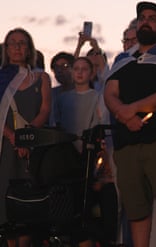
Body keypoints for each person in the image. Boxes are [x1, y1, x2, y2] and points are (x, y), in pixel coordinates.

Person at [104, 1, 156, 247]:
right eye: (142, 18)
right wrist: (124, 114)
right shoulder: (122, 59)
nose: (146, 22)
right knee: (136, 209)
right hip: (126, 143)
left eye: (152, 18)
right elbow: (110, 93)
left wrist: (133, 109)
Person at [55, 56, 118, 246]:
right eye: (76, 68)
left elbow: (100, 126)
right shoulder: (62, 98)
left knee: (90, 206)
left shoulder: (97, 96)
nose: (80, 72)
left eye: (84, 68)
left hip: (90, 157)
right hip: (67, 159)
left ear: (91, 73)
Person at [0, 28, 51, 247]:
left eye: (22, 43)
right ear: (6, 48)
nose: (17, 47)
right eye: (13, 43)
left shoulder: (41, 77)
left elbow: (45, 110)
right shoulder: (1, 78)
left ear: (29, 48)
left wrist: (26, 137)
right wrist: (14, 137)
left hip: (32, 146)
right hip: (5, 147)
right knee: (6, 199)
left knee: (29, 201)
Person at [49, 51, 74, 126]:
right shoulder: (51, 93)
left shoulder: (83, 93)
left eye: (65, 66)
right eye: (56, 67)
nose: (59, 70)